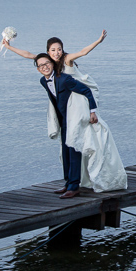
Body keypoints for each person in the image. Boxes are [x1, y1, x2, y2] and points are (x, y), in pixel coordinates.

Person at [7, 31, 128, 193]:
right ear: (48, 52)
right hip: (64, 112)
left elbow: (83, 52)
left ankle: (73, 186)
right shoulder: (47, 65)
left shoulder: (67, 60)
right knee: (66, 149)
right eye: (53, 50)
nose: (57, 53)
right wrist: (9, 47)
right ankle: (69, 183)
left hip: (78, 107)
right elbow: (28, 55)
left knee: (75, 146)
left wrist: (98, 41)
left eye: (59, 49)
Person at [35, 53, 99, 198]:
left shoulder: (64, 79)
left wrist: (92, 112)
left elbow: (86, 90)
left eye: (47, 63)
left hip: (73, 119)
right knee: (65, 153)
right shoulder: (43, 81)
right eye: (41, 65)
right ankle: (68, 183)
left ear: (52, 64)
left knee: (73, 150)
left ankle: (74, 187)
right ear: (38, 69)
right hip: (63, 120)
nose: (45, 67)